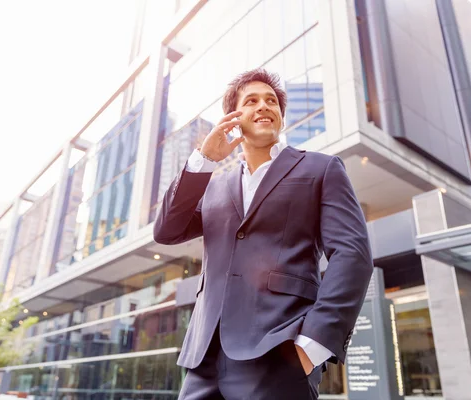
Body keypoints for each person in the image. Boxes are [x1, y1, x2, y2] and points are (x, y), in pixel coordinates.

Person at [154, 69, 374, 400]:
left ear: (281, 117)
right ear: (233, 117)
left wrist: (312, 346)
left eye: (271, 101)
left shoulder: (319, 169)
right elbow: (167, 230)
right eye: (251, 101)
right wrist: (204, 160)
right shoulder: (214, 186)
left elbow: (352, 256)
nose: (263, 106)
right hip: (204, 359)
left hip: (279, 352)